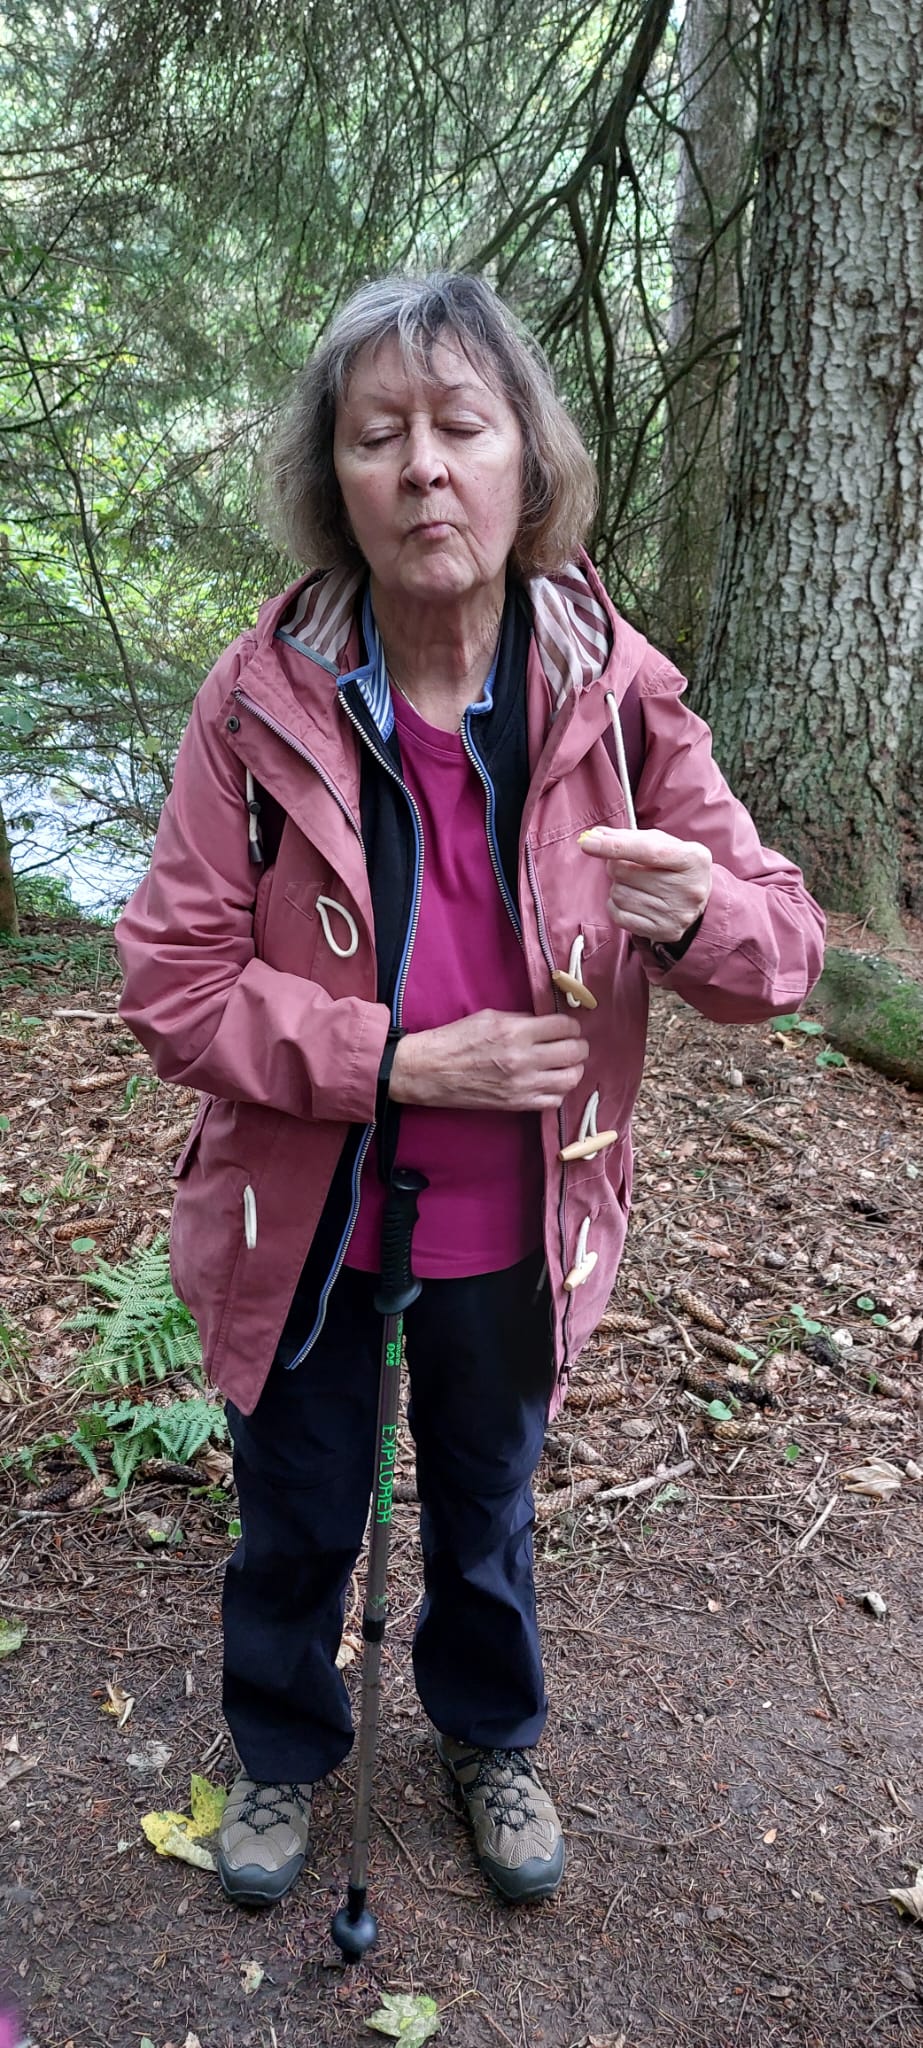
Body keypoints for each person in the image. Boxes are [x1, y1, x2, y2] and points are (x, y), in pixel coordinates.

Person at [116, 271, 825, 1911]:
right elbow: (170, 983)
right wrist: (394, 1062)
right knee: (296, 1505)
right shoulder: (259, 700)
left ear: (528, 459)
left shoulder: (615, 692)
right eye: (379, 434)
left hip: (521, 1219)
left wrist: (698, 916)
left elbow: (780, 947)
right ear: (335, 478)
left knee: (488, 1507)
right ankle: (283, 1748)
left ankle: (488, 1736)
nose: (424, 466)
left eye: (461, 425)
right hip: (306, 1212)